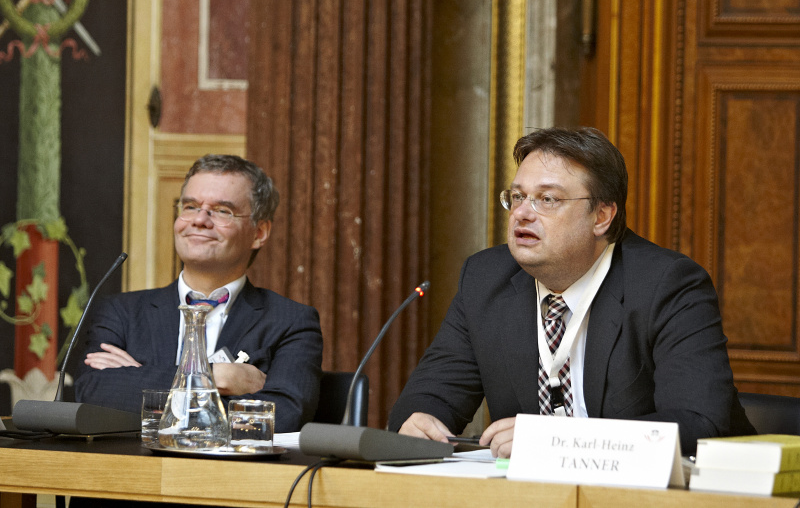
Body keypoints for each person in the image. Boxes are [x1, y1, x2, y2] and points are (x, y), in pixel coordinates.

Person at [388, 127, 755, 457]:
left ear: (602, 216)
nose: (522, 213)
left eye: (547, 199)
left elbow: (699, 423)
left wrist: (560, 439)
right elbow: (429, 397)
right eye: (517, 197)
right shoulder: (486, 279)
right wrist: (420, 421)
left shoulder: (667, 285)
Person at [75, 154, 323, 433]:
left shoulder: (292, 322)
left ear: (259, 232)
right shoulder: (120, 312)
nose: (200, 220)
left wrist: (141, 380)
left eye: (222, 211)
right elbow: (92, 394)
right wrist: (216, 377)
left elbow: (285, 416)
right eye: (190, 206)